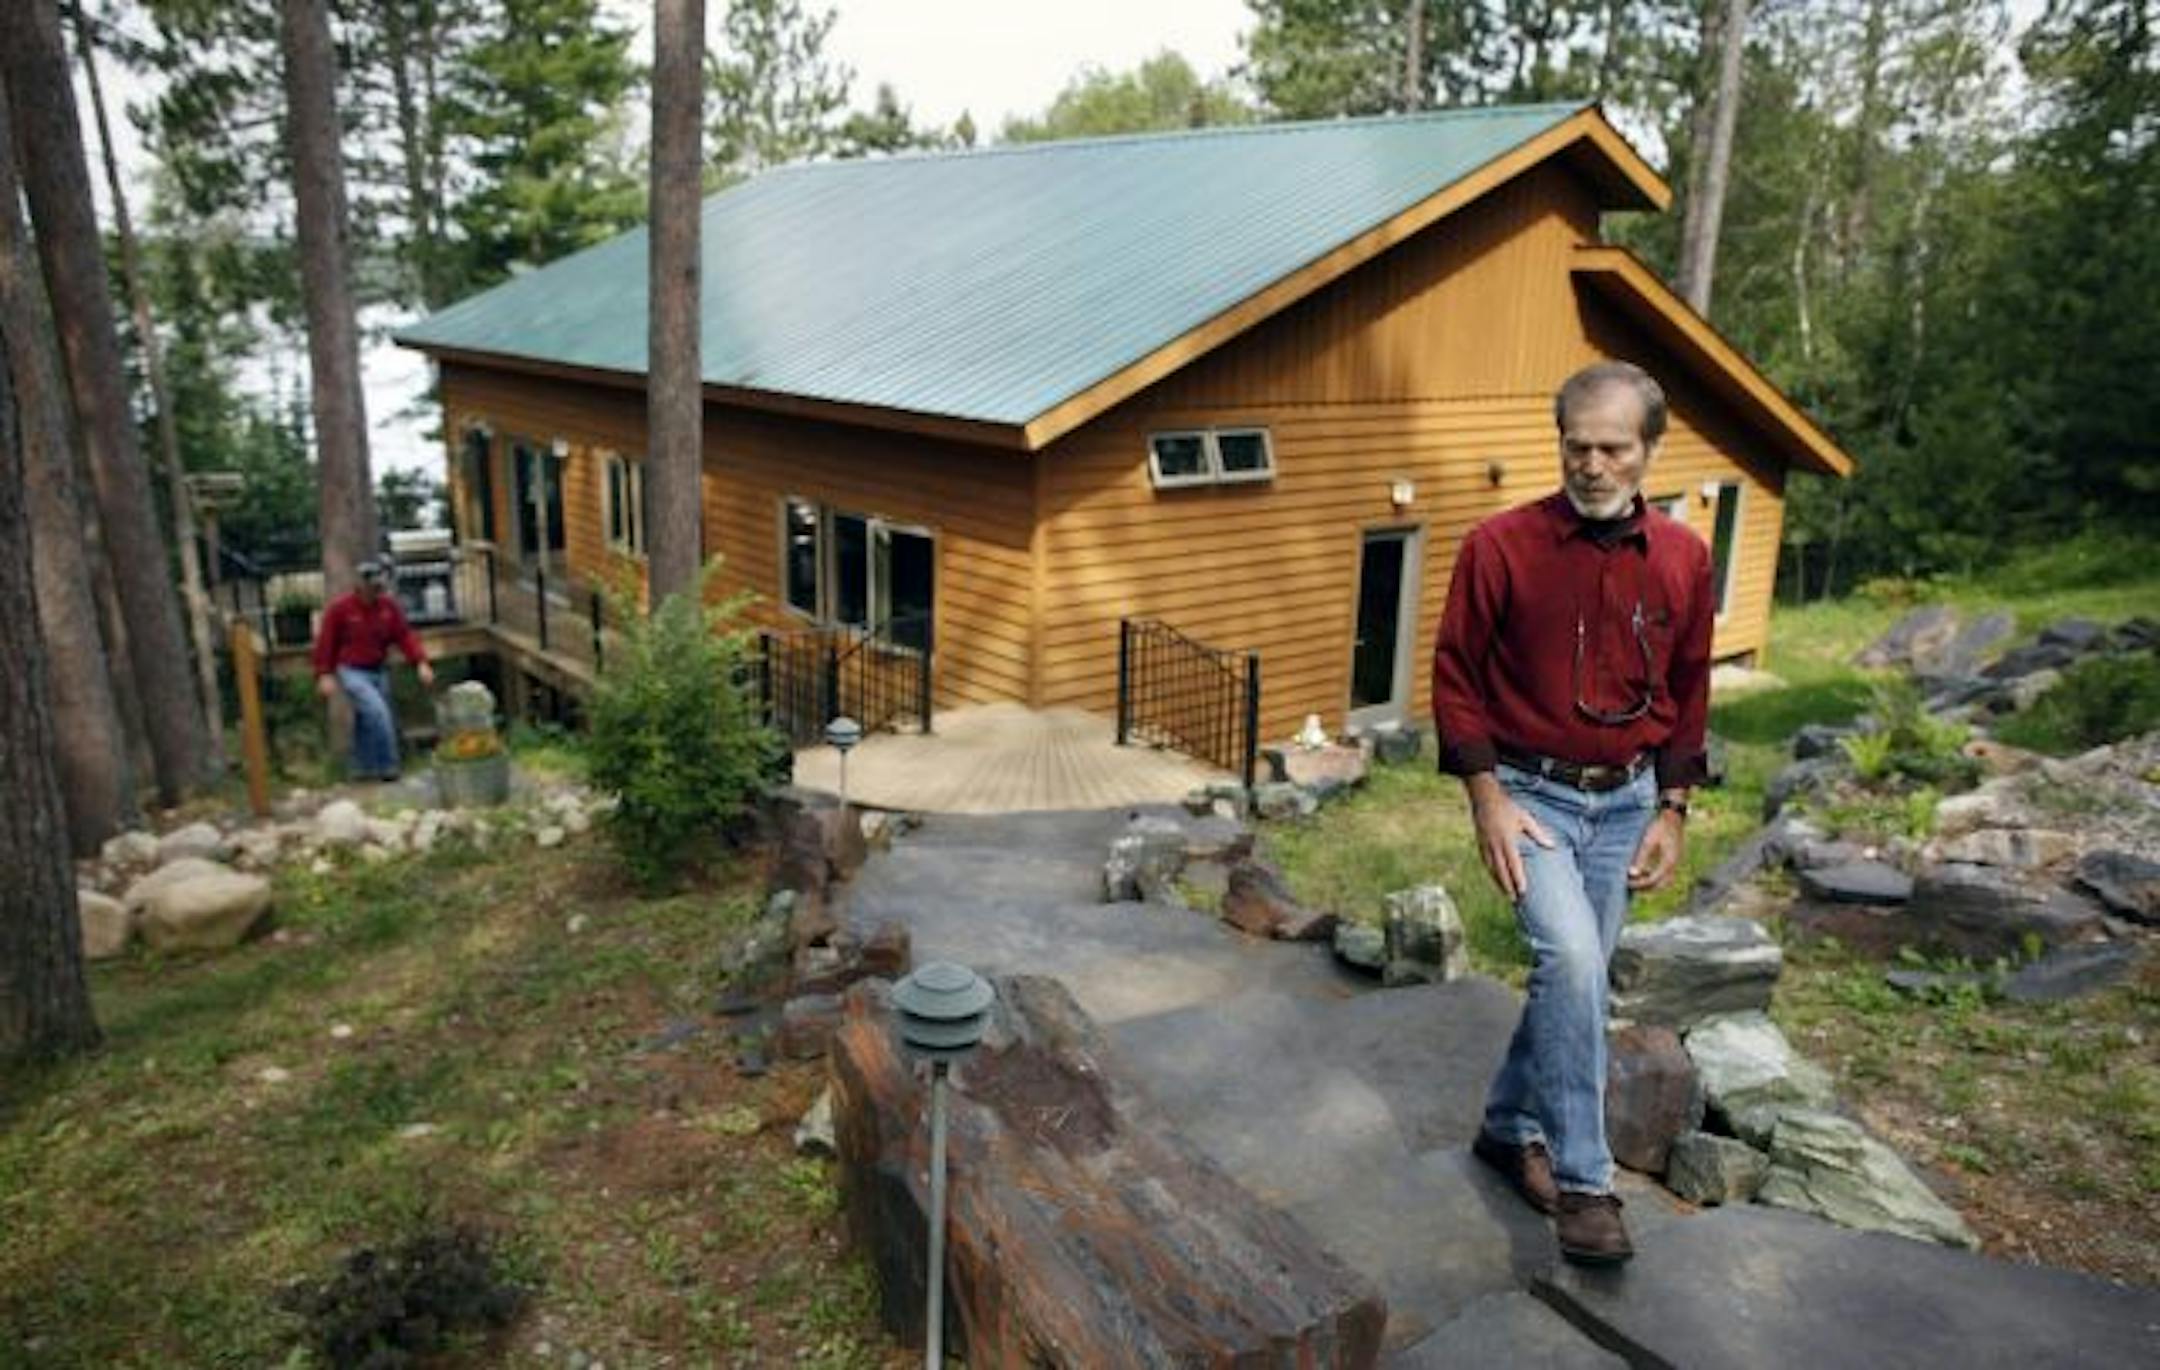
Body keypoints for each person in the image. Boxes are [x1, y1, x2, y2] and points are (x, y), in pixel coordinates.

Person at [1431, 360, 1713, 1266]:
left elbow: (1690, 688)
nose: (1592, 465)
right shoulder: (1499, 547)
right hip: (1532, 799)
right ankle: (1589, 1186)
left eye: (1613, 449)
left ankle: (1508, 1126)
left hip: (1627, 801)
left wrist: (1672, 807)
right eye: (1576, 446)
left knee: (1572, 980)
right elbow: (1455, 680)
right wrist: (1487, 799)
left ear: (1649, 451)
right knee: (1575, 963)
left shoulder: (1683, 557)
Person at [312, 559, 435, 780]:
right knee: (378, 713)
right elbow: (326, 642)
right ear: (360, 585)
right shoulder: (340, 609)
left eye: (380, 587)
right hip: (351, 670)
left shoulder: (388, 607)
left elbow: (405, 636)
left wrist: (421, 662)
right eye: (372, 586)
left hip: (378, 669)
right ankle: (389, 766)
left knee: (366, 718)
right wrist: (324, 673)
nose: (376, 591)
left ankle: (362, 768)